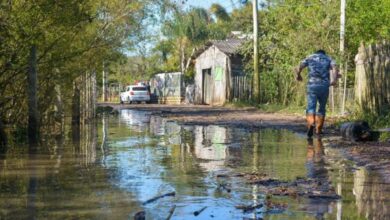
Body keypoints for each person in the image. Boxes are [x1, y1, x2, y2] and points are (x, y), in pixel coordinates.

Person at [295, 49, 340, 138]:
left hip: (312, 85)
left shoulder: (310, 57)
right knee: (322, 108)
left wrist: (298, 75)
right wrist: (334, 80)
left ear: (316, 52)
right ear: (324, 53)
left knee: (311, 107)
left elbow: (299, 67)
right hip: (324, 86)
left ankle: (311, 124)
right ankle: (319, 130)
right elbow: (335, 68)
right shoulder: (329, 58)